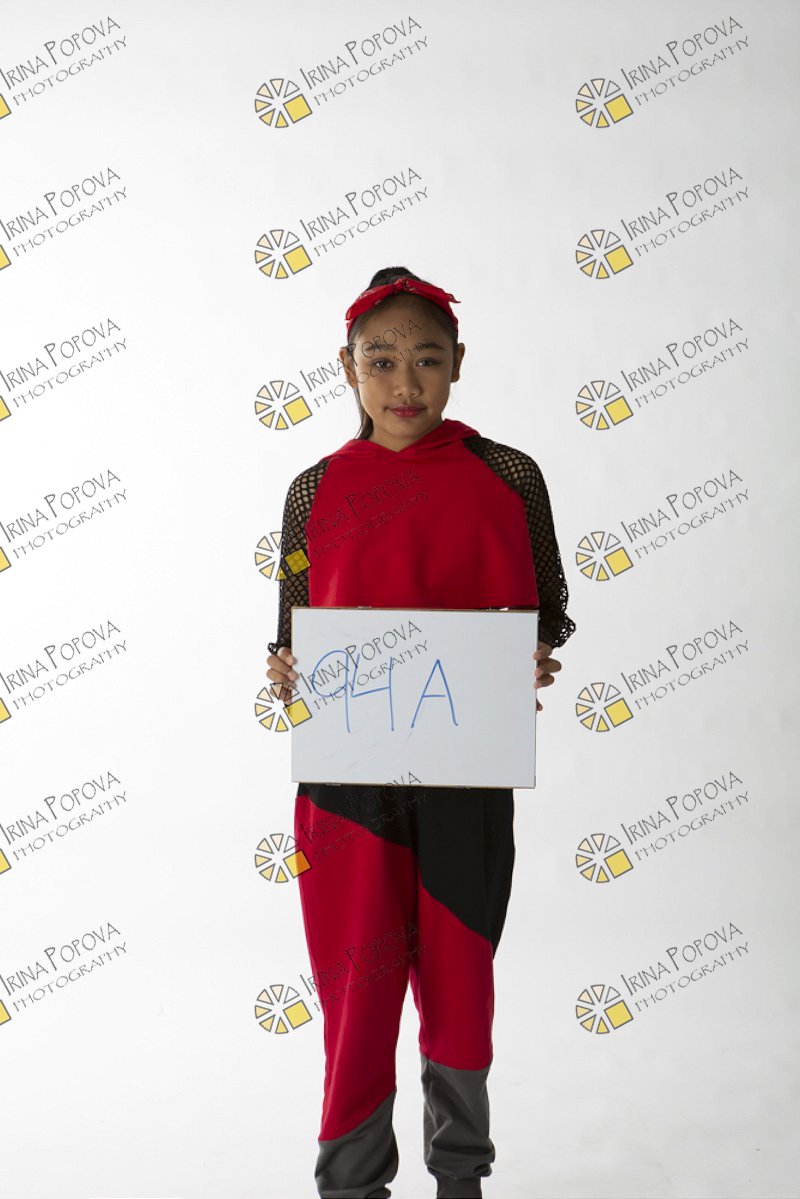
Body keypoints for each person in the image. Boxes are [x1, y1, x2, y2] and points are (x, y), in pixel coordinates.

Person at [266, 267, 577, 1199]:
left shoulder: (508, 476)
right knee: (356, 990)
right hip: (346, 786)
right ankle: (352, 1182)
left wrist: (530, 656)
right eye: (382, 361)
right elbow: (291, 628)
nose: (406, 383)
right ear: (348, 369)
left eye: (428, 360)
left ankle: (460, 1174)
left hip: (464, 773)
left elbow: (548, 607)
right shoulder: (313, 488)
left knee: (459, 979)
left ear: (458, 364)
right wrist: (284, 672)